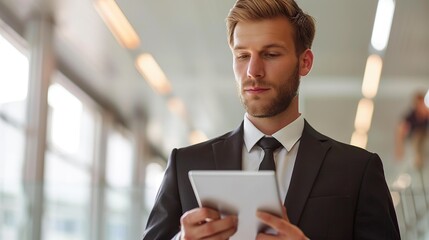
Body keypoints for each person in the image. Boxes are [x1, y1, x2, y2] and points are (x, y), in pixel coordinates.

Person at [142, 0, 400, 239]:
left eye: (271, 54)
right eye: (242, 56)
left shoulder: (357, 171)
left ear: (305, 62)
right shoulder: (184, 165)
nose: (253, 71)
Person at [395, 91, 429, 170]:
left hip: (425, 138)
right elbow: (400, 131)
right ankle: (418, 161)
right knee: (417, 137)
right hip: (414, 140)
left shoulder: (427, 114)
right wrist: (399, 148)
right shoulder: (410, 117)